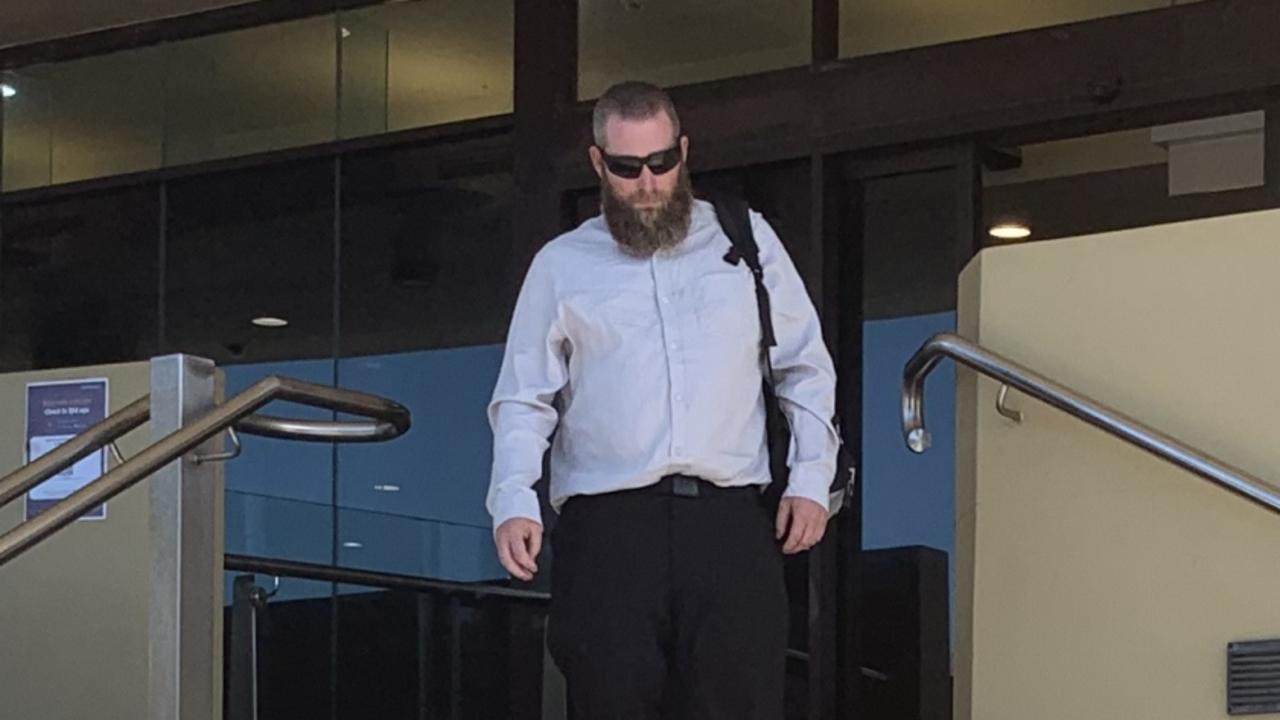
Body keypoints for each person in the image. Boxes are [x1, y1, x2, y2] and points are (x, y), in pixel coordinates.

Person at [486, 80, 839, 719]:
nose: (647, 183)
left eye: (661, 163)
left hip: (729, 521)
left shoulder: (747, 241)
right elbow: (523, 397)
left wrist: (811, 478)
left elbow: (804, 366)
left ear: (683, 152)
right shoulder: (562, 264)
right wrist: (514, 498)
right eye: (626, 168)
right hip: (608, 529)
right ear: (598, 163)